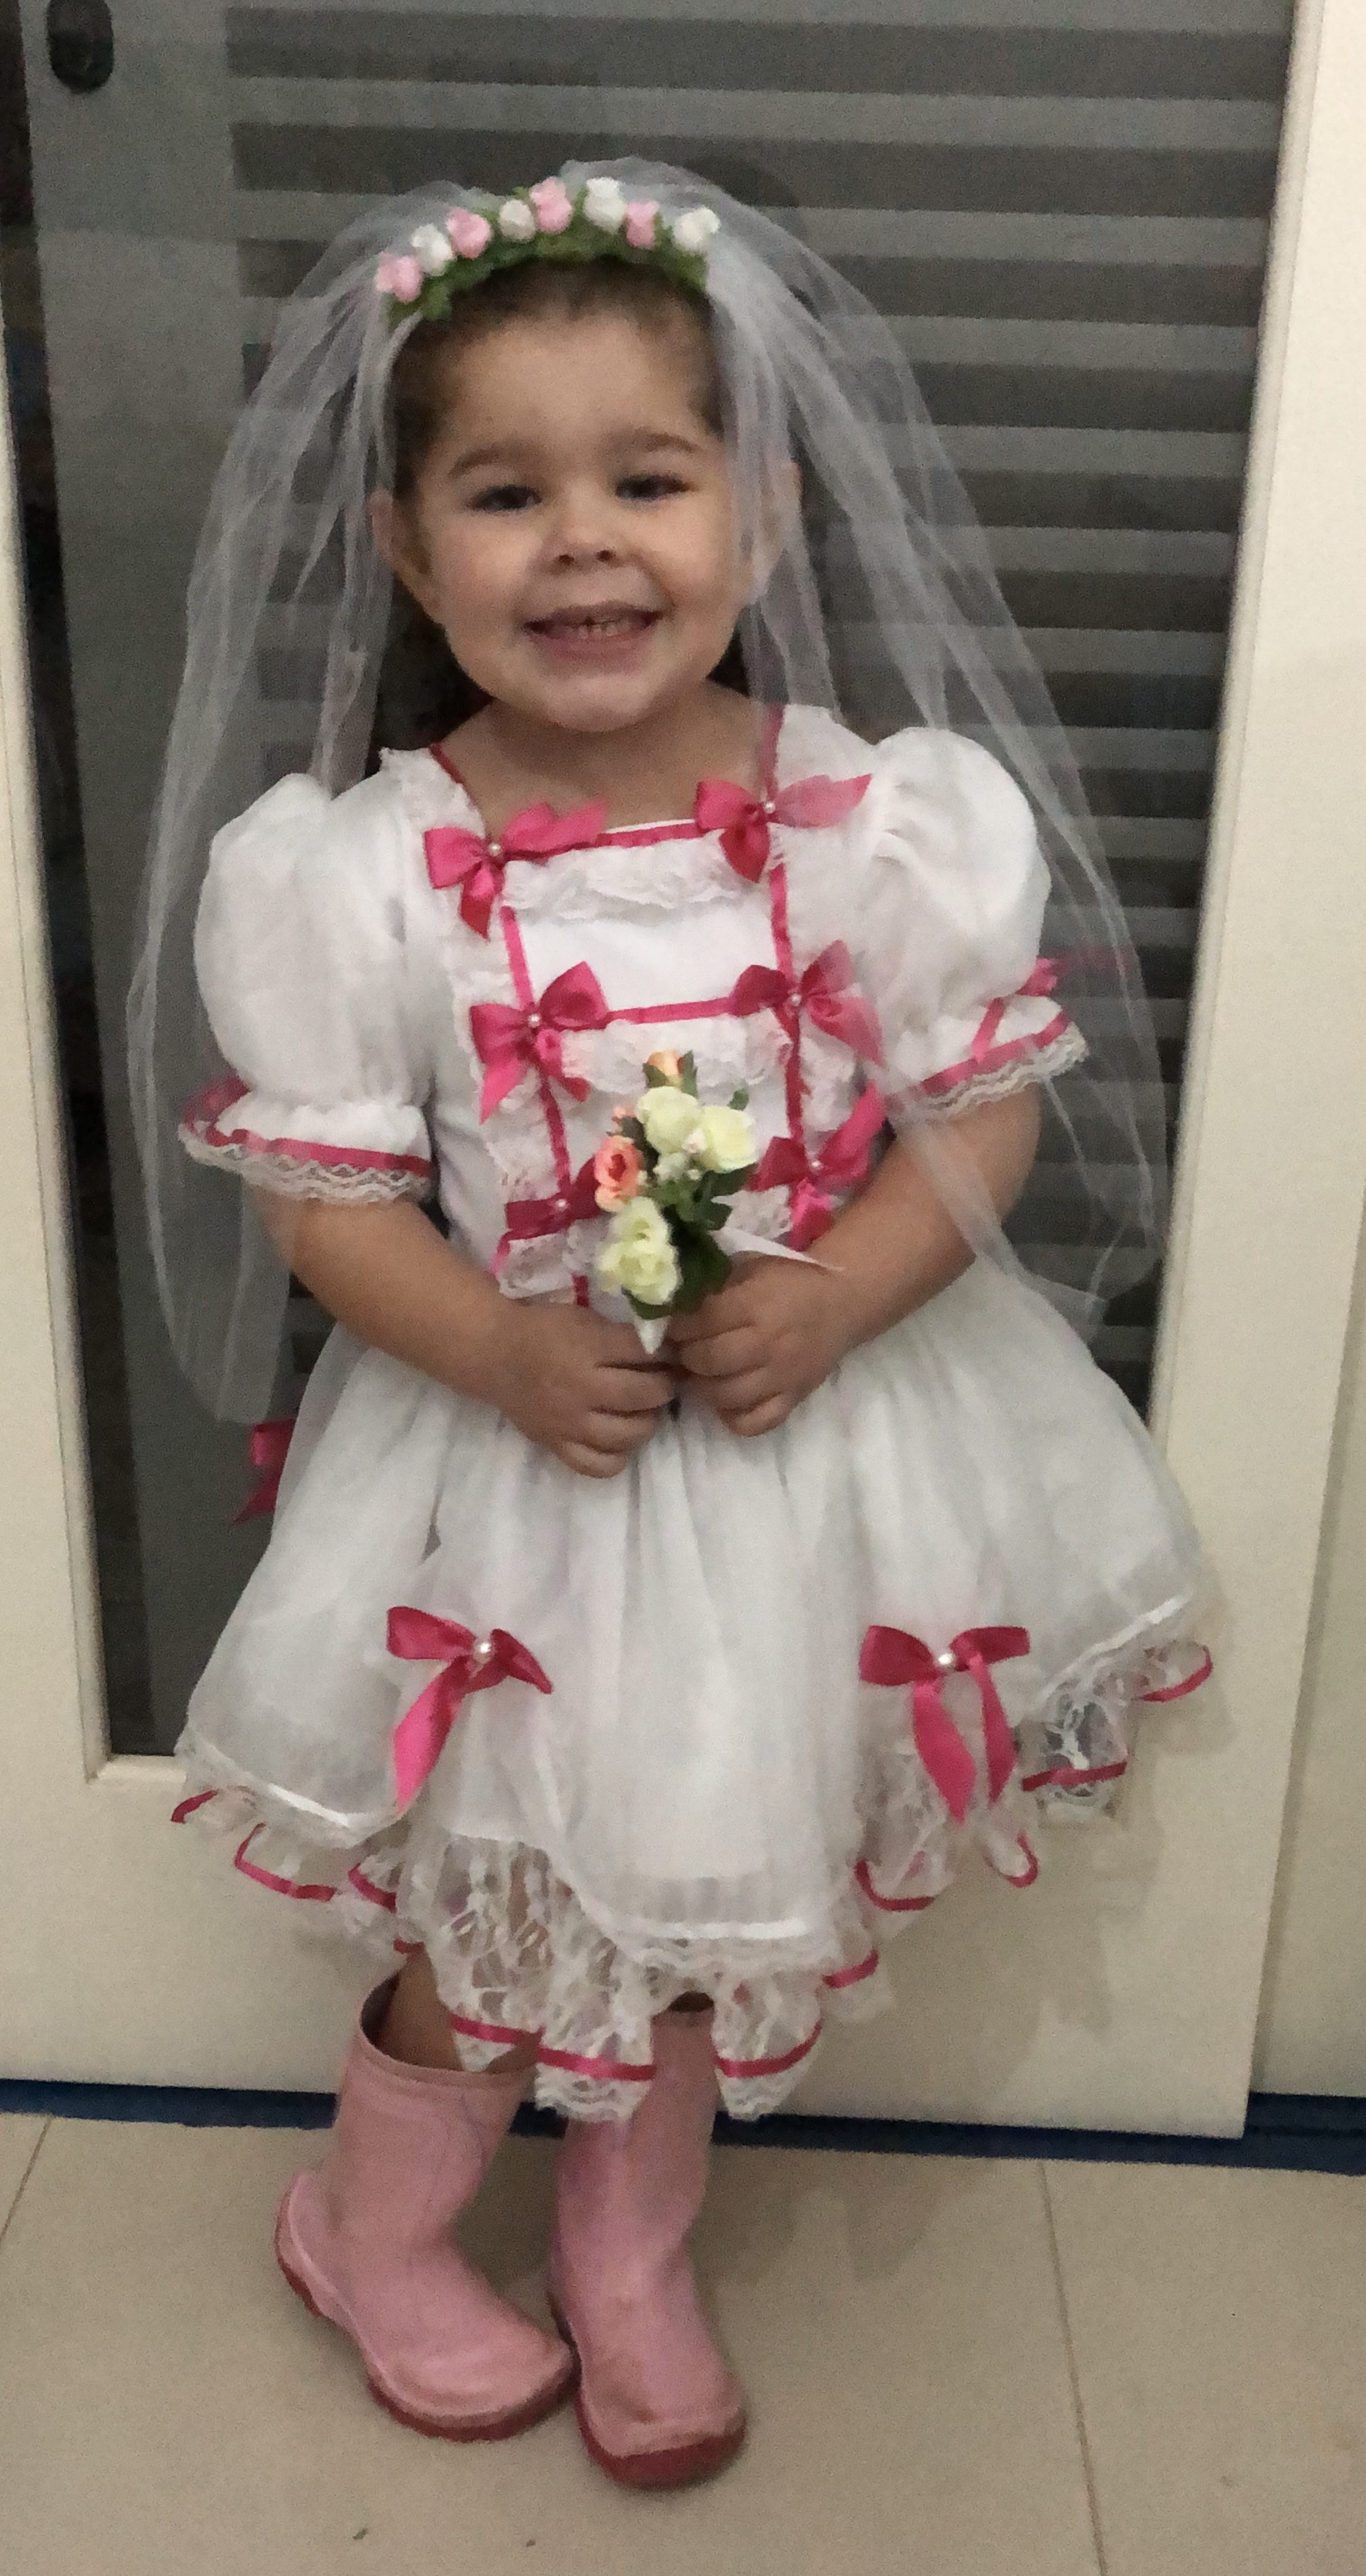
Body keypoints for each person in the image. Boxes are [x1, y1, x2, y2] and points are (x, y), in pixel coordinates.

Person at [128, 163, 1209, 2489]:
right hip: (525, 1465)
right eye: (505, 494)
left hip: (821, 1455)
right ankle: (372, 2224)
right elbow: (326, 1203)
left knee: (727, 1878)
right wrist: (501, 1349)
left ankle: (628, 2254)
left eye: (647, 478)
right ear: (410, 552)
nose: (584, 545)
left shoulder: (870, 822)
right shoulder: (359, 870)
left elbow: (982, 1111)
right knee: (493, 1908)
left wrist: (847, 1294)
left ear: (764, 510)